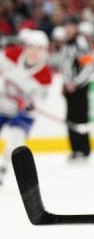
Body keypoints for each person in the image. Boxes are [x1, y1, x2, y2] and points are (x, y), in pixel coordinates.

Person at [0, 30, 52, 185]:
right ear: (26, 47)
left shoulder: (45, 75)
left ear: (44, 50)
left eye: (39, 48)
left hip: (23, 113)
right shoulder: (11, 54)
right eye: (31, 47)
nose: (34, 52)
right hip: (2, 104)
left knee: (16, 139)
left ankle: (2, 167)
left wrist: (29, 104)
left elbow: (39, 101)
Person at [59, 16, 94, 162]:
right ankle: (75, 149)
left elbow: (88, 66)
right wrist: (65, 84)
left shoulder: (81, 43)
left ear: (76, 28)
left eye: (70, 26)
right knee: (70, 119)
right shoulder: (66, 43)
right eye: (66, 26)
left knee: (80, 118)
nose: (68, 29)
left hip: (79, 87)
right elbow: (65, 66)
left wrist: (75, 82)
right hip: (70, 87)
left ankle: (84, 149)